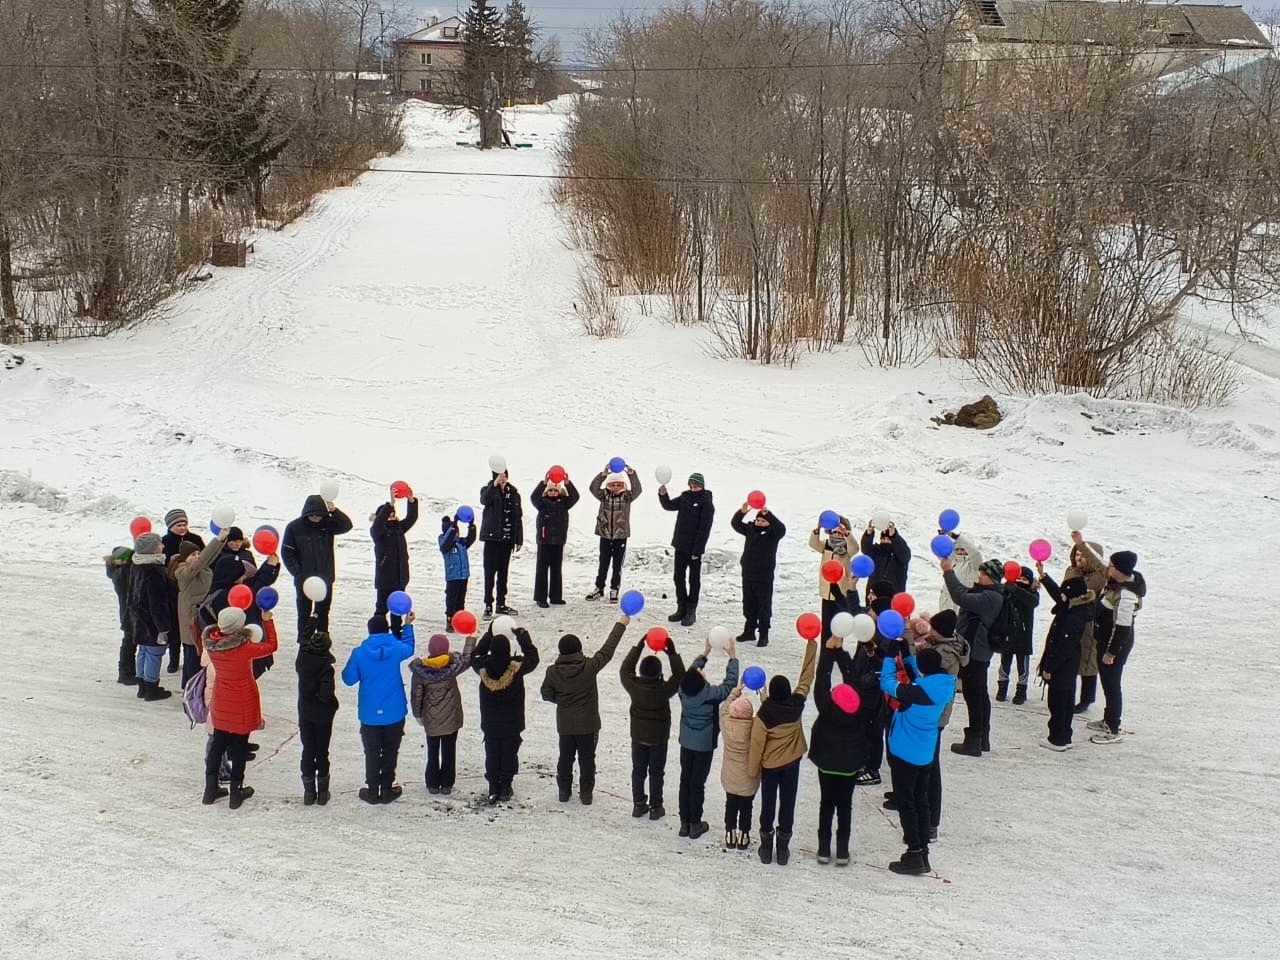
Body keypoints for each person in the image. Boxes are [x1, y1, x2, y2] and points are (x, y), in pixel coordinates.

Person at [886, 610, 965, 840]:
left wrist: (909, 637)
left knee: (930, 769)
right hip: (931, 711)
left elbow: (921, 673)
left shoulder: (945, 654)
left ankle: (930, 822)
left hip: (932, 716)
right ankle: (914, 806)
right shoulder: (944, 645)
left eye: (932, 628)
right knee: (924, 767)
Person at [880, 637, 956, 875]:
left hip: (905, 752)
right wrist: (907, 654)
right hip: (925, 752)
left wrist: (889, 659)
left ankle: (914, 852)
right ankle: (922, 851)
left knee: (907, 803)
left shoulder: (917, 692)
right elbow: (917, 679)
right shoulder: (941, 685)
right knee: (921, 800)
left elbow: (887, 683)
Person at [540, 616, 629, 804]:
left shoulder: (552, 672)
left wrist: (562, 700)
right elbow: (608, 650)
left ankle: (564, 791)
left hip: (565, 725)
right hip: (588, 725)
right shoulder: (589, 667)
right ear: (579, 650)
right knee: (587, 759)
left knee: (565, 757)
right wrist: (621, 624)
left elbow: (545, 693)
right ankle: (586, 794)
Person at [808, 639, 878, 866]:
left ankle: (823, 848)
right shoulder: (858, 709)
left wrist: (829, 652)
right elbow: (853, 678)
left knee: (826, 804)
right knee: (845, 806)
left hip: (826, 764)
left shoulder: (826, 707)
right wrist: (842, 654)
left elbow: (822, 679)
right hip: (849, 766)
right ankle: (843, 850)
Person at [202, 606, 280, 808]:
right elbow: (271, 646)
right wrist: (267, 621)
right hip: (242, 701)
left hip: (221, 700)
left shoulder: (211, 645)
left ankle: (210, 789)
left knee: (218, 744)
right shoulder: (244, 648)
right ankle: (236, 792)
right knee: (239, 746)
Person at [748, 639, 817, 866]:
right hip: (792, 763)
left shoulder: (764, 714)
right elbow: (806, 678)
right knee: (788, 802)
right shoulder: (797, 704)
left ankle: (766, 846)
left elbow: (757, 743)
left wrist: (752, 769)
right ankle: (784, 847)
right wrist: (811, 646)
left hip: (770, 766)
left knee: (768, 803)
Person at [341, 612, 417, 803]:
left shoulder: (359, 653)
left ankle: (373, 790)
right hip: (394, 711)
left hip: (369, 713)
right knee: (391, 749)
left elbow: (348, 679)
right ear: (387, 629)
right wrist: (407, 625)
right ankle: (387, 789)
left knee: (372, 751)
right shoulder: (397, 648)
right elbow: (409, 647)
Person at [942, 556, 1005, 757]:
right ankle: (982, 738)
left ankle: (974, 741)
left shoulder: (991, 597)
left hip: (976, 653)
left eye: (984, 574)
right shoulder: (988, 593)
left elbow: (960, 596)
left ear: (992, 578)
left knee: (974, 695)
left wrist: (947, 571)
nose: (980, 576)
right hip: (978, 650)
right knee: (979, 693)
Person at [676, 637, 739, 838]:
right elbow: (729, 685)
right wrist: (733, 658)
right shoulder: (711, 694)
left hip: (686, 742)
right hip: (704, 744)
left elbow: (689, 674)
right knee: (697, 783)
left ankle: (684, 823)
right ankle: (695, 823)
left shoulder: (682, 691)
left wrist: (705, 654)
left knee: (685, 780)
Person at [618, 632, 686, 820]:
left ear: (640, 672)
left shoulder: (634, 686)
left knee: (638, 770)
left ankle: (638, 804)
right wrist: (672, 653)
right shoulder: (664, 689)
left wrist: (638, 647)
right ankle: (656, 807)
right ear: (659, 673)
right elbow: (680, 676)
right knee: (656, 772)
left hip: (638, 736)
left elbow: (624, 670)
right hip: (658, 738)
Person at [472, 624, 540, 803]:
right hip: (512, 722)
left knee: (492, 753)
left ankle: (493, 786)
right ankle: (506, 786)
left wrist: (489, 634)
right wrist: (523, 636)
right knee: (510, 754)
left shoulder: (482, 667)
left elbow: (475, 655)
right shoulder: (516, 668)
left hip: (490, 723)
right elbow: (533, 658)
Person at [1084, 549, 1145, 745]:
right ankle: (1107, 719)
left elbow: (1122, 628)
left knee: (1111, 684)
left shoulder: (1126, 596)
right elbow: (1100, 562)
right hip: (1105, 639)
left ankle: (1112, 727)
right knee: (1107, 681)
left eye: (1111, 565)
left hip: (1115, 644)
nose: (1107, 567)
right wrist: (1081, 543)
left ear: (1120, 570)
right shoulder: (1117, 581)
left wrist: (1112, 652)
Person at [409, 631, 478, 795]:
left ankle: (432, 783)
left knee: (432, 752)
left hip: (431, 720)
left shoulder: (421, 671)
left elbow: (416, 695)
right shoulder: (452, 666)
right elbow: (467, 659)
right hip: (450, 718)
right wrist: (471, 638)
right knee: (449, 751)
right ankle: (447, 783)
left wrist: (418, 714)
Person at [282, 494, 354, 640]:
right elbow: (287, 552)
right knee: (304, 613)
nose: (316, 518)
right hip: (303, 580)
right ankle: (304, 643)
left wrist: (334, 510)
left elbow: (347, 525)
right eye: (312, 515)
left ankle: (322, 644)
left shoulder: (328, 524)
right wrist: (298, 573)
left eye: (319, 515)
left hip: (325, 579)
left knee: (322, 612)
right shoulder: (294, 527)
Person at [1034, 566, 1091, 751]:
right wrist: (1044, 577)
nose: (1062, 596)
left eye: (1065, 594)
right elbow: (1059, 594)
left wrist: (1049, 667)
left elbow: (1062, 648)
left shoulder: (1072, 618)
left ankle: (1057, 738)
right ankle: (1064, 735)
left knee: (1058, 702)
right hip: (1069, 666)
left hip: (1062, 667)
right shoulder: (1075, 607)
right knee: (1065, 700)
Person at [658, 472, 715, 626]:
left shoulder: (706, 502)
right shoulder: (685, 497)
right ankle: (681, 607)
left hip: (694, 549)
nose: (692, 488)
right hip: (680, 545)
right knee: (678, 577)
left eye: (695, 486)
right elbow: (669, 505)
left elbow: (705, 529)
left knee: (693, 580)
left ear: (702, 486)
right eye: (690, 486)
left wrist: (698, 550)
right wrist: (663, 495)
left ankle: (691, 611)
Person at [172, 531, 228, 686]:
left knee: (200, 656)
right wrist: (216, 539)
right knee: (192, 658)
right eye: (192, 555)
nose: (196, 557)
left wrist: (222, 540)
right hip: (190, 621)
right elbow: (202, 560)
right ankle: (189, 689)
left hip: (202, 618)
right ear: (184, 557)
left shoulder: (201, 568)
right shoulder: (183, 572)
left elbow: (208, 557)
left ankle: (195, 687)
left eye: (198, 553)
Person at [730, 502, 787, 647]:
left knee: (763, 607)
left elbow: (782, 529)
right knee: (749, 605)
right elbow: (735, 524)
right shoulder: (749, 529)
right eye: (758, 520)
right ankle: (749, 631)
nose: (760, 522)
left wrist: (769, 515)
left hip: (764, 577)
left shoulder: (773, 533)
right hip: (748, 574)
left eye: (763, 521)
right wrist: (741, 512)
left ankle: (763, 634)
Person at [296, 617, 339, 804]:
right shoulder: (325, 668)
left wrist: (312, 620)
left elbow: (303, 639)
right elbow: (325, 694)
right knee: (322, 751)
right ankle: (322, 793)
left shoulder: (303, 659)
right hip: (322, 716)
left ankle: (308, 793)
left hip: (305, 713)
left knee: (308, 750)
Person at [128, 532, 175, 702]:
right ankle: (151, 687)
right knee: (155, 653)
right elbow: (158, 603)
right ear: (152, 549)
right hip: (152, 623)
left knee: (143, 651)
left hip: (139, 619)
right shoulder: (154, 571)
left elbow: (131, 595)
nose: (162, 546)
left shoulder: (136, 565)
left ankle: (142, 685)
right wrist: (163, 628)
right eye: (159, 544)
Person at [1064, 533, 1108, 713]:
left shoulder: (1101, 577)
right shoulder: (1071, 571)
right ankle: (1067, 691)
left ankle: (1087, 698)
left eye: (1082, 555)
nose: (1079, 558)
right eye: (1076, 555)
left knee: (1088, 661)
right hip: (1069, 619)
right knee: (1069, 657)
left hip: (1089, 623)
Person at [586, 464, 642, 603]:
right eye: (613, 484)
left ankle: (614, 589)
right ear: (608, 485)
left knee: (617, 565)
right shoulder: (604, 495)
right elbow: (593, 488)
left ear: (623, 485)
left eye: (618, 484)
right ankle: (599, 588)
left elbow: (637, 489)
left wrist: (631, 474)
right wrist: (603, 475)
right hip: (605, 535)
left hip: (620, 536)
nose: (615, 487)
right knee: (603, 563)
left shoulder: (627, 497)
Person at [161, 508, 205, 673]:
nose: (182, 527)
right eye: (178, 524)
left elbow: (205, 557)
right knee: (175, 627)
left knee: (191, 627)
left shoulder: (195, 539)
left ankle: (192, 659)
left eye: (184, 524)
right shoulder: (164, 542)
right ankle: (173, 659)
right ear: (170, 526)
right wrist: (169, 561)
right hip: (173, 590)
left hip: (193, 587)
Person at [529, 472, 581, 608]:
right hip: (544, 542)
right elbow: (533, 497)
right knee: (542, 570)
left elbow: (575, 497)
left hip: (558, 542)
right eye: (550, 490)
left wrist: (568, 483)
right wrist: (544, 483)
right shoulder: (541, 504)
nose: (552, 492)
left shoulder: (564, 503)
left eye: (555, 490)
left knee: (556, 570)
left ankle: (556, 597)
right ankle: (541, 598)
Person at [371, 489, 419, 634]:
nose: (392, 517)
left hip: (400, 577)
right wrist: (390, 504)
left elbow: (411, 518)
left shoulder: (399, 529)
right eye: (389, 515)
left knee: (397, 609)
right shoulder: (378, 532)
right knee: (381, 609)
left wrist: (411, 501)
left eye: (393, 514)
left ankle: (397, 633)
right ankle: (377, 633)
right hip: (385, 579)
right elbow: (378, 523)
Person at [479, 468, 524, 618]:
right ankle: (488, 604)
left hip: (507, 540)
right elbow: (484, 500)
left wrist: (518, 538)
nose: (503, 479)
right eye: (499, 476)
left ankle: (501, 603)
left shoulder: (514, 493)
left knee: (503, 573)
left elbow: (518, 516)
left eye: (504, 476)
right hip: (492, 539)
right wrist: (494, 485)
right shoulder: (488, 490)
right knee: (489, 573)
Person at [719, 686, 759, 851]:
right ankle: (744, 834)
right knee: (746, 807)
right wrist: (764, 695)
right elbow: (766, 716)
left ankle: (730, 832)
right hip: (748, 776)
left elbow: (723, 709)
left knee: (731, 804)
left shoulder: (725, 722)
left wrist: (736, 691)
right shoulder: (754, 726)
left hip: (729, 775)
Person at [809, 515, 856, 639]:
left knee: (838, 625)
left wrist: (846, 534)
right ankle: (825, 651)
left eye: (840, 532)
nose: (837, 534)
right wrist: (817, 529)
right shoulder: (826, 545)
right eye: (835, 531)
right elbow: (813, 544)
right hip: (827, 591)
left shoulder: (847, 548)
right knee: (826, 624)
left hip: (841, 592)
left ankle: (837, 649)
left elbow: (855, 548)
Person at [998, 567, 1040, 705]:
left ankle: (1021, 690)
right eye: (1019, 579)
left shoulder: (1031, 593)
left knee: (1023, 665)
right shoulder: (1007, 590)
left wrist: (1017, 589)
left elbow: (1032, 602)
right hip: (1008, 632)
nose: (1021, 582)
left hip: (1023, 634)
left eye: (1024, 579)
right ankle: (1002, 687)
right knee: (1005, 662)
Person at [104, 545, 137, 686]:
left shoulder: (117, 572)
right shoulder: (122, 574)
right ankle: (124, 673)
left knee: (130, 642)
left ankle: (127, 671)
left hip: (126, 612)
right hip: (128, 613)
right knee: (129, 642)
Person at [439, 513, 477, 631]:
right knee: (452, 599)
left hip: (463, 575)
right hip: (453, 576)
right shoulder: (444, 543)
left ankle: (460, 618)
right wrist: (454, 525)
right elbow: (446, 542)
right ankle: (450, 619)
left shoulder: (461, 542)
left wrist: (471, 525)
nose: (457, 534)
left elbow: (471, 538)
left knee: (461, 598)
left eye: (457, 531)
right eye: (454, 531)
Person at [937, 531, 984, 614]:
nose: (959, 552)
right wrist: (942, 539)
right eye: (957, 549)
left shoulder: (974, 565)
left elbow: (975, 553)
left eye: (962, 549)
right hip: (947, 604)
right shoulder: (952, 561)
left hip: (964, 606)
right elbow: (943, 554)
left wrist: (956, 537)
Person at [860, 520, 911, 594]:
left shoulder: (899, 555)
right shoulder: (876, 552)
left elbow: (905, 554)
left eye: (889, 539)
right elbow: (865, 548)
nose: (886, 541)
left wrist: (894, 535)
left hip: (894, 594)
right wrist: (869, 533)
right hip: (874, 593)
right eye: (883, 539)